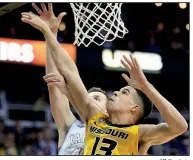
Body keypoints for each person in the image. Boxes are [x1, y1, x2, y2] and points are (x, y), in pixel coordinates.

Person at [21, 5, 188, 155]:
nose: (115, 92)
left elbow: (180, 127)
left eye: (124, 92)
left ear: (134, 108)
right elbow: (70, 72)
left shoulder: (140, 134)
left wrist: (146, 87)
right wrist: (49, 33)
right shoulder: (94, 118)